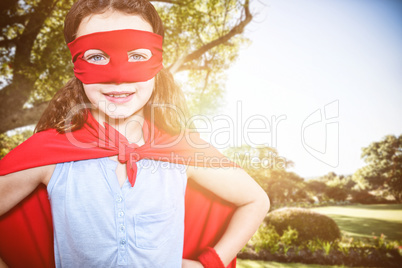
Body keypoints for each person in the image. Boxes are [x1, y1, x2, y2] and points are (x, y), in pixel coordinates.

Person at [0, 0, 270, 267]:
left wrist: (210, 263)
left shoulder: (182, 149)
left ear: (158, 63)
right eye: (96, 56)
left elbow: (255, 200)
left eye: (137, 56)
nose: (118, 77)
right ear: (76, 64)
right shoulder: (49, 153)